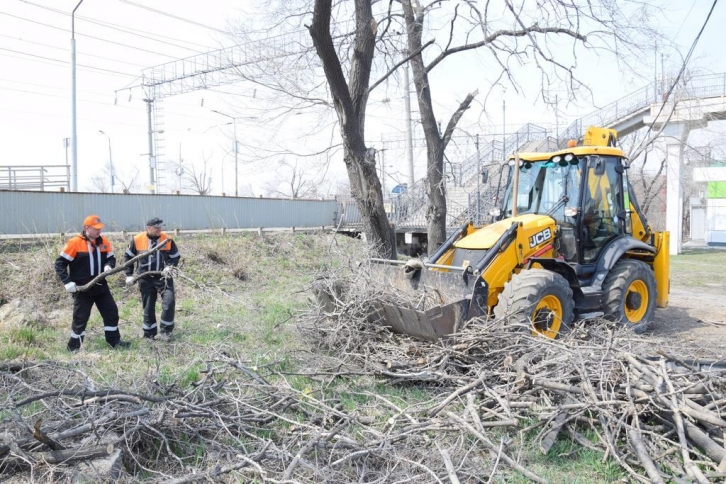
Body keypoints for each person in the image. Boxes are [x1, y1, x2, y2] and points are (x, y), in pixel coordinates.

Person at [54, 215, 130, 352]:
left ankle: (114, 342)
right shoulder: (74, 243)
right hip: (83, 289)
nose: (98, 231)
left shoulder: (103, 241)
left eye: (100, 228)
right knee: (80, 318)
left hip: (101, 287)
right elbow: (59, 264)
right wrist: (67, 282)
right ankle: (74, 347)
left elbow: (111, 257)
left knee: (111, 312)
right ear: (86, 228)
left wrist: (109, 265)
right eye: (96, 229)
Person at [124, 217, 181, 341]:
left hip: (164, 277)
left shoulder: (167, 239)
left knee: (169, 302)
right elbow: (128, 257)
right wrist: (129, 274)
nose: (159, 230)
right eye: (156, 228)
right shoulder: (137, 239)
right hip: (145, 278)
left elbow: (175, 256)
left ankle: (166, 331)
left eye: (160, 227)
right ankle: (149, 333)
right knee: (148, 306)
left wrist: (169, 267)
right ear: (148, 228)